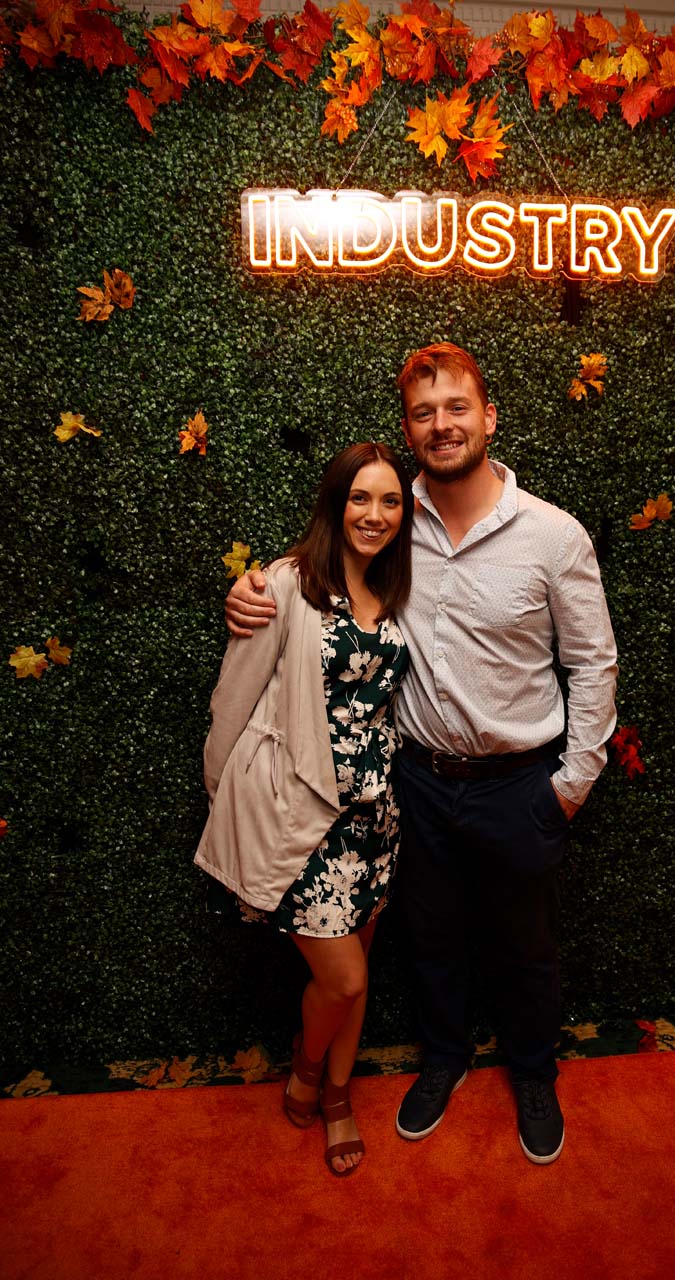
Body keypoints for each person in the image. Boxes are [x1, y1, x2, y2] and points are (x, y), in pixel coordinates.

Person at [224, 344, 618, 1165]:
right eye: (423, 413)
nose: (441, 425)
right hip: (415, 783)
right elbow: (318, 562)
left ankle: (533, 1075)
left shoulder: (552, 534)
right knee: (430, 941)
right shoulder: (396, 523)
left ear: (488, 417)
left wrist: (572, 783)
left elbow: (592, 663)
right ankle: (443, 1062)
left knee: (525, 949)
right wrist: (251, 588)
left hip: (519, 783)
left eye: (456, 408)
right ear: (408, 430)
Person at [195, 441, 413, 1176]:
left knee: (359, 971)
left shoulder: (397, 588)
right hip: (301, 815)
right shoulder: (287, 583)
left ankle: (339, 1095)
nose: (375, 514)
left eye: (390, 501)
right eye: (360, 498)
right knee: (342, 978)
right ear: (334, 503)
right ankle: (307, 1068)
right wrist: (229, 799)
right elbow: (232, 699)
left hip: (374, 820)